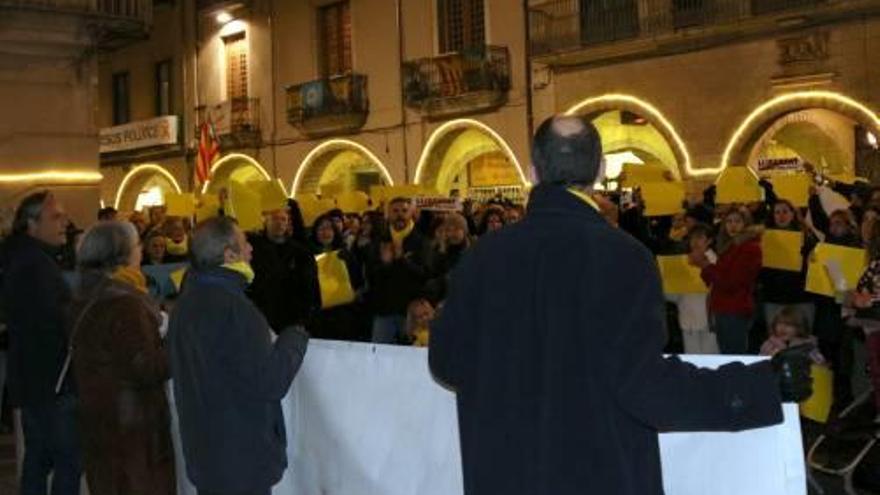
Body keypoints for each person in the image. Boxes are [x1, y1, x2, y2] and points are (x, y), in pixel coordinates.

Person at [429, 116, 812, 495]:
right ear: (600, 169)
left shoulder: (482, 257)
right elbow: (643, 386)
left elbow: (446, 362)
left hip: (504, 473)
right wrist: (759, 385)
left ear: (532, 171)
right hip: (595, 471)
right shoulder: (623, 256)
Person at [168, 217, 309, 495]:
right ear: (229, 255)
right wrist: (294, 338)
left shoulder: (185, 303)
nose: (251, 250)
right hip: (242, 457)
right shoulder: (235, 309)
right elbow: (270, 381)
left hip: (205, 451)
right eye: (245, 243)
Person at [70, 221, 174, 495]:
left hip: (100, 420)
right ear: (123, 254)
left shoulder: (86, 295)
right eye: (137, 245)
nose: (141, 251)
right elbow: (145, 367)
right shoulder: (125, 303)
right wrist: (177, 347)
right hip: (133, 429)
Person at [1, 191, 82, 495]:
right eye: (55, 217)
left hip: (37, 381)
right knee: (66, 461)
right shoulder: (35, 266)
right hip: (52, 382)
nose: (65, 222)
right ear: (31, 224)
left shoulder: (25, 259)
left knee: (38, 459)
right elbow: (50, 325)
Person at [694, 206, 763, 354]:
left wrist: (705, 265)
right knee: (727, 353)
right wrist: (704, 261)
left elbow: (732, 282)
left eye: (737, 221)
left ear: (746, 223)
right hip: (723, 306)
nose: (732, 225)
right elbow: (716, 278)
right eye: (729, 221)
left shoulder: (750, 248)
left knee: (733, 355)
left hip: (735, 307)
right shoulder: (729, 245)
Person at [366, 197, 429, 343]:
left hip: (412, 312)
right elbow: (370, 275)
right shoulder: (379, 240)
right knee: (380, 356)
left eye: (404, 211)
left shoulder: (421, 241)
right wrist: (385, 264)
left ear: (411, 213)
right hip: (384, 310)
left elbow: (424, 275)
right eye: (395, 211)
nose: (400, 214)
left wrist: (402, 260)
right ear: (388, 214)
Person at [247, 208, 319, 333]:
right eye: (274, 218)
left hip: (291, 315)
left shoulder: (299, 252)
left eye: (283, 219)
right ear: (265, 222)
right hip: (262, 313)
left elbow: (309, 284)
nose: (279, 223)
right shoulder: (253, 249)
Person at [760, 199, 814, 331]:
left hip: (800, 298)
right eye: (777, 212)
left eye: (785, 211)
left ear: (793, 214)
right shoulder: (764, 238)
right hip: (774, 298)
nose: (781, 216)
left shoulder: (807, 238)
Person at [671, 223, 719, 354]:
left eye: (700, 237)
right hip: (687, 318)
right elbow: (672, 295)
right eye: (692, 238)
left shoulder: (717, 262)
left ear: (709, 241)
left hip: (709, 320)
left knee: (711, 361)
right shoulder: (682, 261)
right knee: (692, 362)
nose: (695, 241)